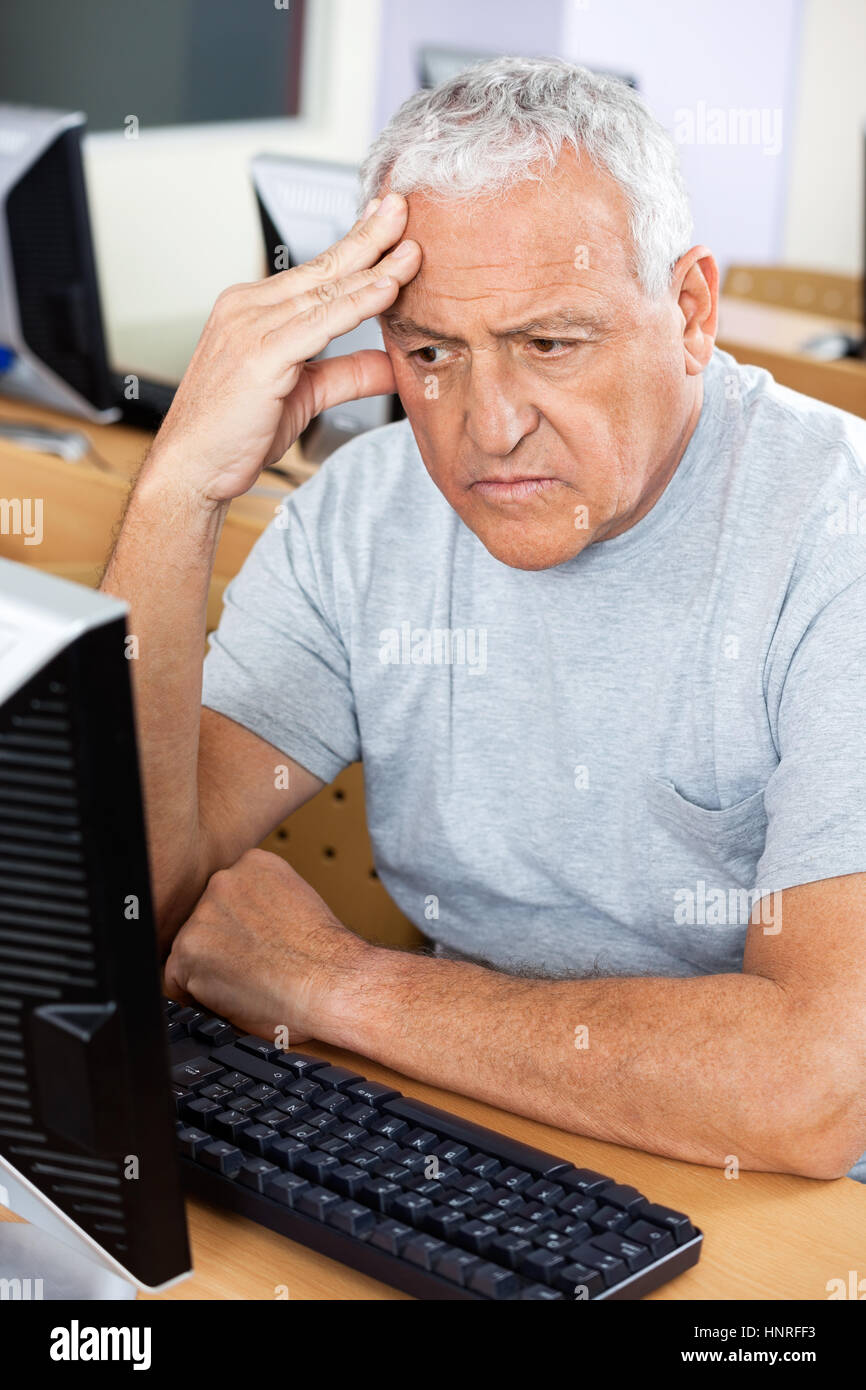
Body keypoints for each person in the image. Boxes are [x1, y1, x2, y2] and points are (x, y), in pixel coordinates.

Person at [102, 58, 866, 1180]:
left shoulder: (833, 537)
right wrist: (178, 494)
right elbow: (126, 895)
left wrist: (333, 984)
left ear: (690, 311)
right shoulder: (363, 513)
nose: (485, 428)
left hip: (784, 1211)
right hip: (485, 1134)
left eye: (548, 343)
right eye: (430, 352)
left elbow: (814, 1091)